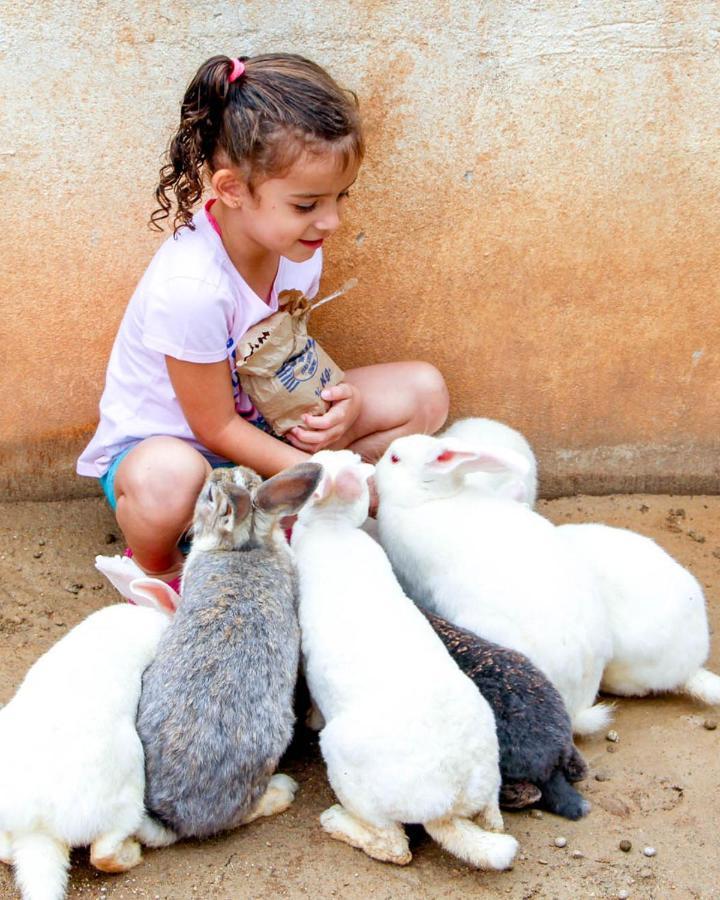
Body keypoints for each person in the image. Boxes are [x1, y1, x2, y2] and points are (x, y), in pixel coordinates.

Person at [77, 53, 449, 589]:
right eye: (306, 204)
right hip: (179, 450)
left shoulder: (299, 247)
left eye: (339, 197)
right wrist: (320, 473)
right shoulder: (192, 290)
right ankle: (164, 573)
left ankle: (279, 510)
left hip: (260, 426)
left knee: (425, 391)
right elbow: (213, 426)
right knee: (168, 481)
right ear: (230, 190)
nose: (332, 221)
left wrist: (342, 409)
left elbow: (279, 356)